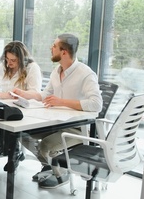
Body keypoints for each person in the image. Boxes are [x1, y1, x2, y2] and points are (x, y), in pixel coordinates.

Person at [12, 33, 102, 189]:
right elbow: (45, 95)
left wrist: (62, 102)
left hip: (77, 129)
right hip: (56, 124)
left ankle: (61, 174)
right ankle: (51, 167)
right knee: (23, 135)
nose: (50, 48)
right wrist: (23, 94)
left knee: (45, 146)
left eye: (54, 46)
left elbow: (96, 104)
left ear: (64, 52)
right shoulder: (57, 71)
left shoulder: (85, 73)